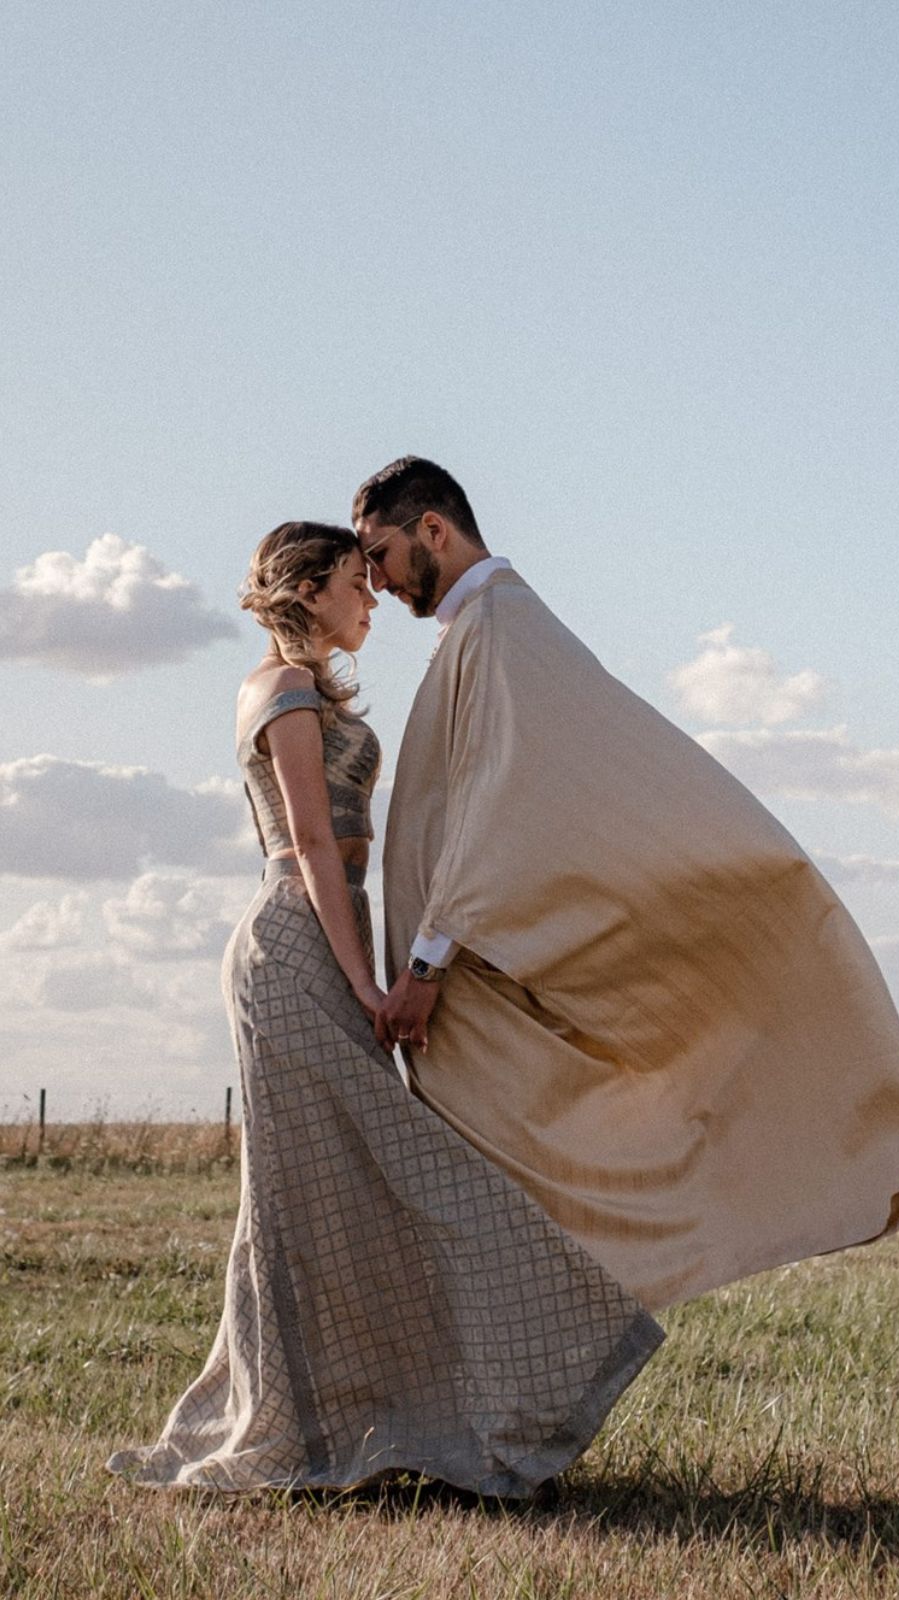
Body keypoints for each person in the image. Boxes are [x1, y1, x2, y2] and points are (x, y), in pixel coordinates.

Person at [107, 521, 662, 1496]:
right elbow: (314, 848)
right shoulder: (277, 688)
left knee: (339, 1187)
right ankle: (306, 1433)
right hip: (295, 950)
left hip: (325, 941)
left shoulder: (309, 688)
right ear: (310, 586)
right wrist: (367, 982)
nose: (371, 601)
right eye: (355, 584)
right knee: (336, 1187)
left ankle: (385, 1423)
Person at [352, 458, 899, 1313]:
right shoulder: (482, 628)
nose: (373, 578)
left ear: (433, 531)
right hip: (461, 986)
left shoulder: (500, 627)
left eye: (379, 552)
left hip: (453, 978)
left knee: (536, 1183)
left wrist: (426, 966)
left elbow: (503, 808)